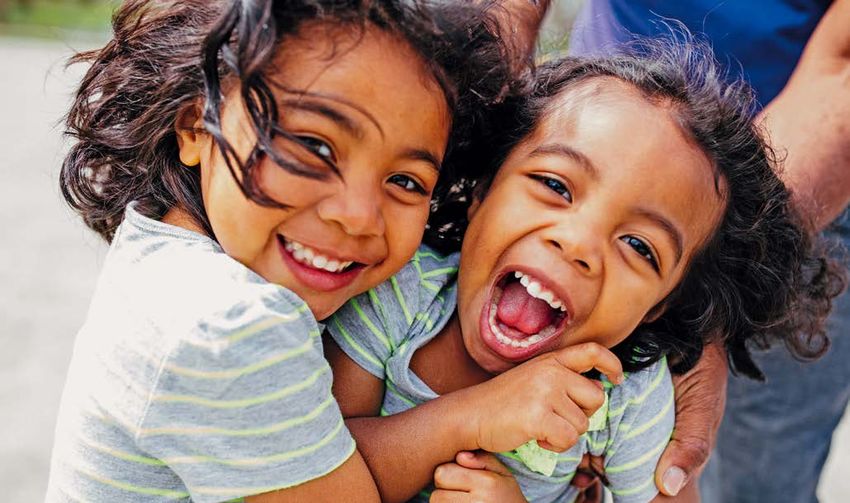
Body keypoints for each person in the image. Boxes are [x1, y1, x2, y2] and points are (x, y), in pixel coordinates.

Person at [323, 39, 844, 503]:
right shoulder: (400, 295)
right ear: (482, 188)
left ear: (660, 304)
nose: (577, 245)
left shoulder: (625, 395)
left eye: (639, 246)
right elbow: (320, 473)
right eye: (555, 185)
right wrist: (471, 417)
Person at [44, 0, 514, 501]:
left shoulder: (160, 252)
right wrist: (476, 415)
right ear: (197, 127)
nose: (358, 216)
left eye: (405, 181)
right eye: (314, 146)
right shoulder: (233, 323)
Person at [563, 1, 850, 501]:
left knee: (757, 477)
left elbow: (843, 66)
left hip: (805, 184)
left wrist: (715, 295)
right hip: (592, 125)